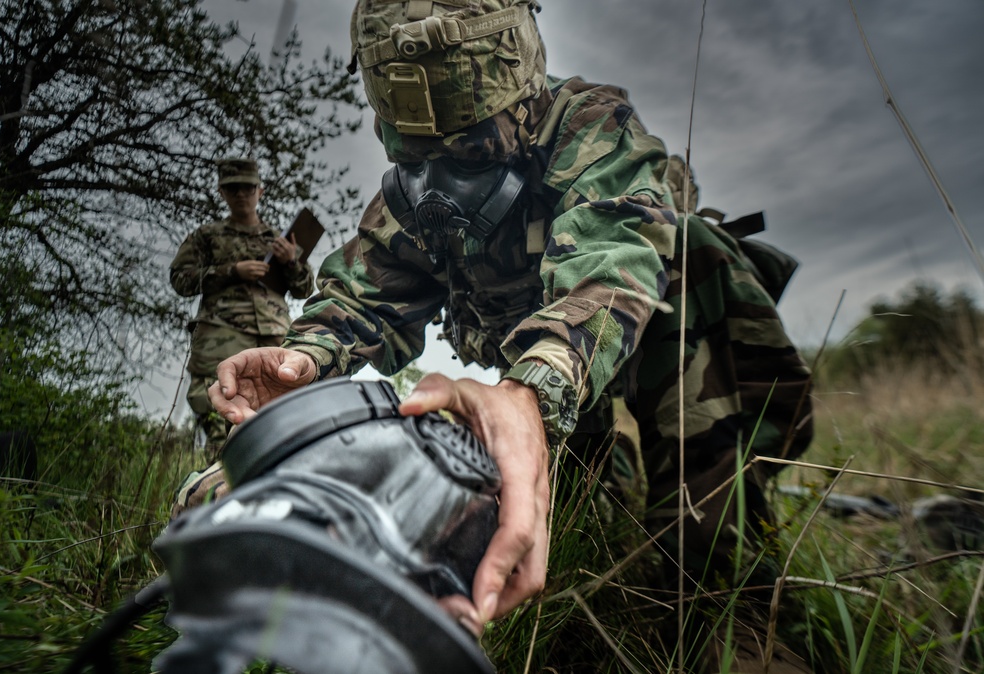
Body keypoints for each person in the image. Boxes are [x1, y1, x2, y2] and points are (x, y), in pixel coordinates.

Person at [208, 2, 814, 670]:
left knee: (693, 257)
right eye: (419, 144)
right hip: (542, 404)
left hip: (627, 359)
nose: (441, 165)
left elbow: (613, 259)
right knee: (581, 538)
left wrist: (529, 394)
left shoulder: (588, 131)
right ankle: (601, 548)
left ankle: (728, 600)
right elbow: (362, 291)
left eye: (465, 139)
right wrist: (303, 356)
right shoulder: (413, 200)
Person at [170, 158, 314, 461]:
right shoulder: (207, 236)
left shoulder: (280, 240)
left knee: (286, 416)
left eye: (247, 188)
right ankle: (221, 491)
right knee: (222, 415)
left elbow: (304, 289)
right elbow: (180, 280)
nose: (241, 194)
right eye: (233, 188)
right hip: (222, 335)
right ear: (222, 192)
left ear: (259, 191)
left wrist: (290, 262)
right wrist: (231, 271)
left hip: (275, 336)